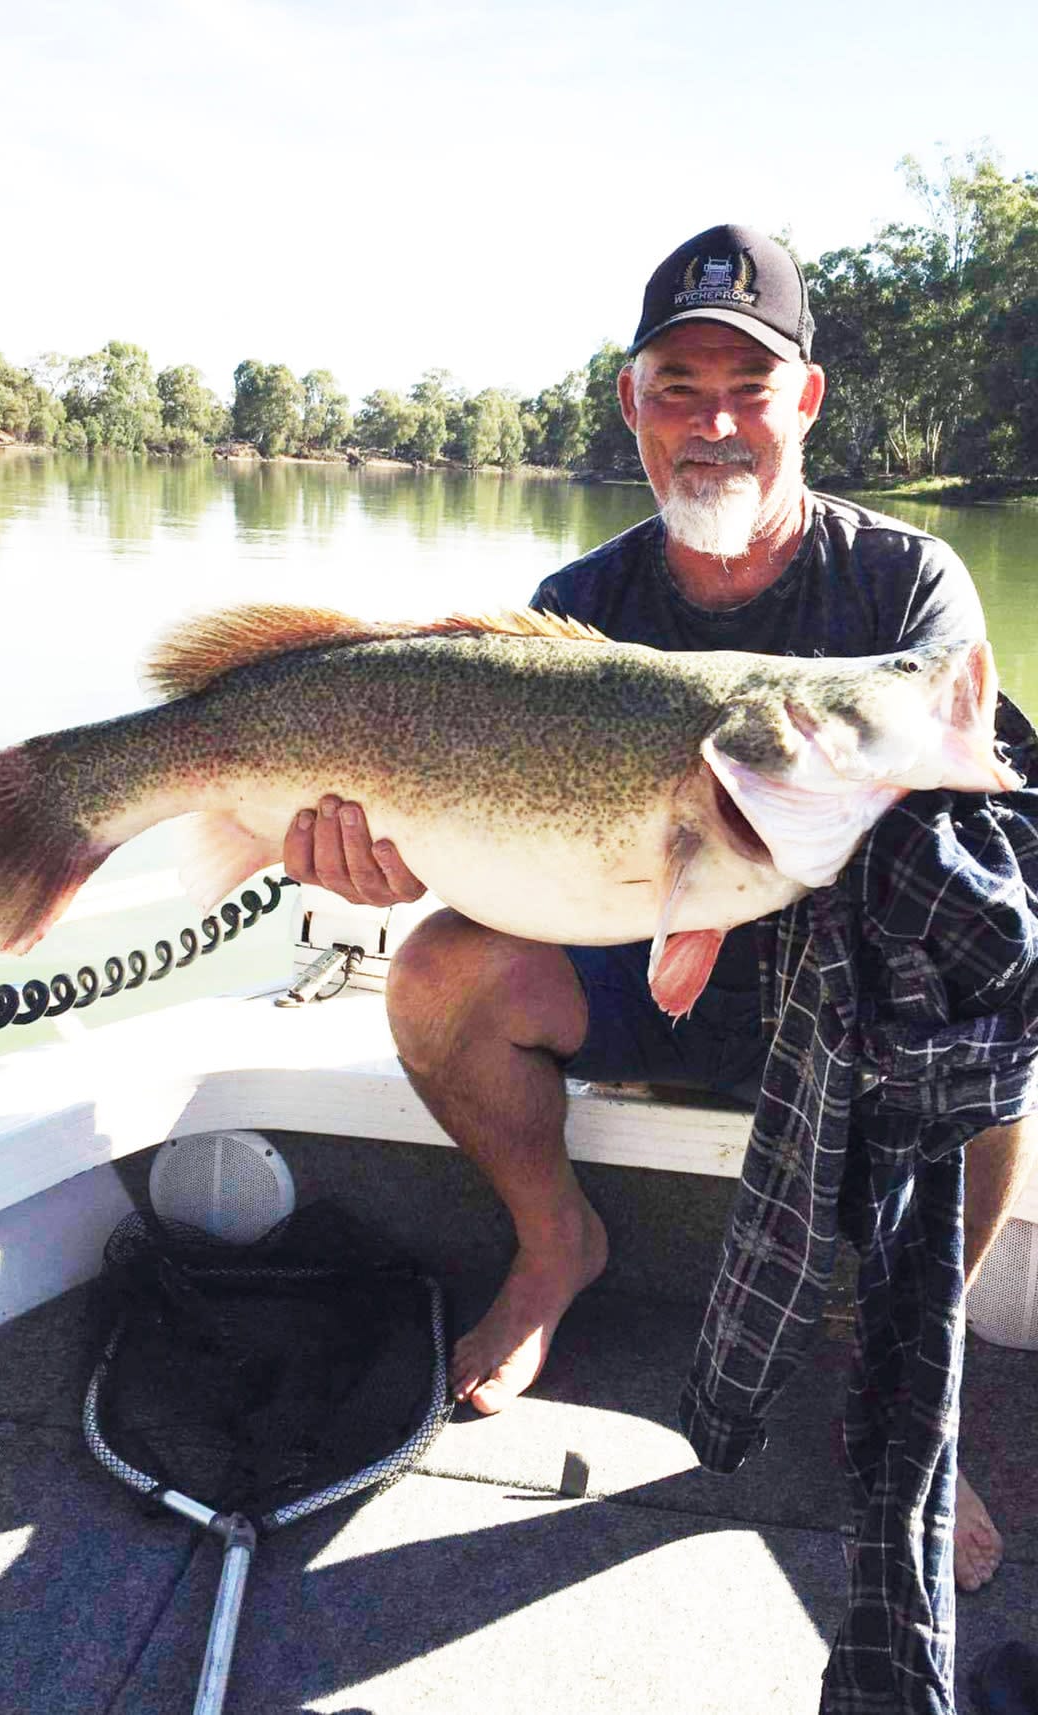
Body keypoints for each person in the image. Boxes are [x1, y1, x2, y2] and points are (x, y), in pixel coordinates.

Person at [283, 223, 1038, 1594]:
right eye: (677, 388)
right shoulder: (575, 610)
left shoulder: (910, 584)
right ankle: (555, 1245)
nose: (714, 424)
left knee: (996, 1054)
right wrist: (378, 857)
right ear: (632, 405)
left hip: (856, 999)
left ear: (804, 403)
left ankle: (895, 1366)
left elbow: (970, 799)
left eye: (747, 389)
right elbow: (501, 857)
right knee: (437, 978)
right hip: (648, 961)